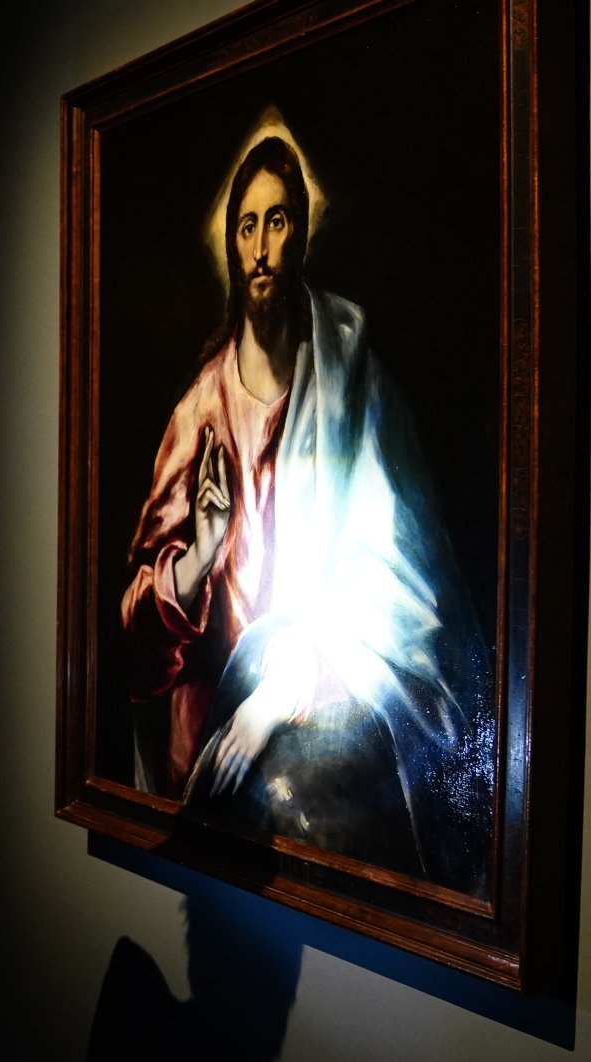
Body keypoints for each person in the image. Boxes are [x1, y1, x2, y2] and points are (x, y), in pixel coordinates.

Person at [119, 134, 493, 891]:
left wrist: (285, 691)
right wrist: (198, 557)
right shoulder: (199, 415)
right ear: (230, 241)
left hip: (331, 759)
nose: (262, 247)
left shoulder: (356, 389)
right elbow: (133, 644)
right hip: (213, 766)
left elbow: (405, 595)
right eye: (247, 225)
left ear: (302, 234)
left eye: (279, 221)